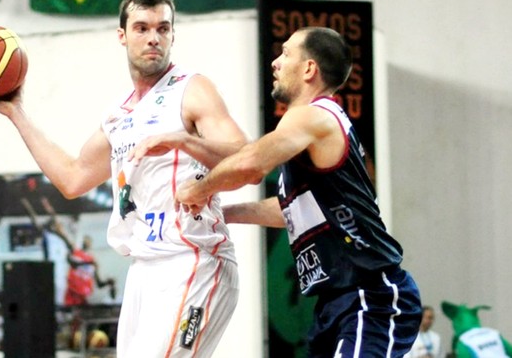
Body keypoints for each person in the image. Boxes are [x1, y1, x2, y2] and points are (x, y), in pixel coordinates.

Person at [0, 0, 246, 358]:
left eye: (163, 28)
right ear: (122, 35)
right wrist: (16, 113)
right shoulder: (119, 115)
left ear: (172, 35)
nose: (154, 37)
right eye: (142, 28)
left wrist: (182, 140)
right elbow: (72, 179)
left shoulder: (192, 89)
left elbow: (245, 160)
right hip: (144, 267)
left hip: (193, 258)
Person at [160, 26, 422, 357]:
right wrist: (225, 214)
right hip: (336, 301)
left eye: (285, 53)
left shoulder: (314, 117)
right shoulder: (312, 129)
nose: (275, 62)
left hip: (372, 293)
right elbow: (293, 210)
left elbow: (251, 164)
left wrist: (198, 188)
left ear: (309, 69)